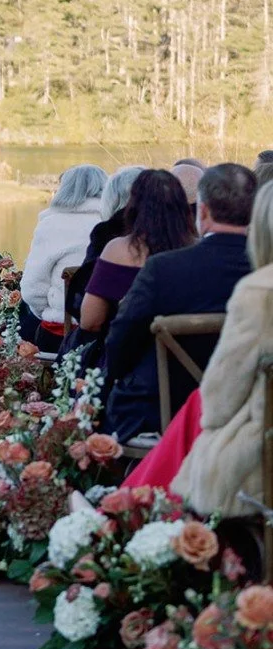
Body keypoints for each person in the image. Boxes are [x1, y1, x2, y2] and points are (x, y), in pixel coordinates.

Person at [104, 162, 256, 443]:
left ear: (204, 211)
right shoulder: (265, 271)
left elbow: (119, 344)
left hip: (165, 414)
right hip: (251, 412)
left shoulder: (163, 269)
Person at [67, 170, 195, 369]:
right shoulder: (197, 250)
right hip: (187, 366)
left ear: (134, 206)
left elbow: (90, 320)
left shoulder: (118, 250)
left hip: (126, 366)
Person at [19, 164, 107, 350]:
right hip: (106, 334)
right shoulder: (114, 225)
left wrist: (52, 312)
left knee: (22, 316)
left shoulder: (50, 225)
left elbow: (32, 290)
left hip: (60, 333)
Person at [62, 165, 144, 326]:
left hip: (116, 332)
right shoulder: (177, 233)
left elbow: (85, 312)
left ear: (112, 199)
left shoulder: (106, 233)